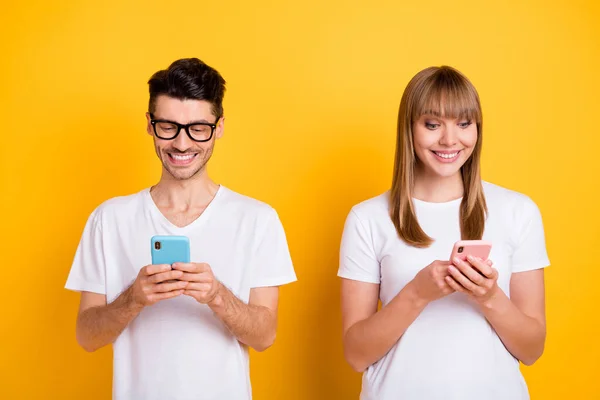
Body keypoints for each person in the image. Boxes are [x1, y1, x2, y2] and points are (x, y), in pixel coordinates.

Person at [65, 58, 297, 400]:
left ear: (219, 127)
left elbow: (264, 337)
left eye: (198, 128)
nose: (183, 144)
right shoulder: (109, 219)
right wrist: (134, 298)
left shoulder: (257, 220)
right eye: (168, 126)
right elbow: (87, 336)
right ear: (149, 124)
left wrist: (217, 295)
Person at [338, 66, 549, 400]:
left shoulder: (518, 211)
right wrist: (417, 293)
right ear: (409, 128)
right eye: (433, 124)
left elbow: (532, 349)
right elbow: (356, 354)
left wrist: (489, 296)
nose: (450, 140)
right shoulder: (368, 218)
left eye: (464, 124)